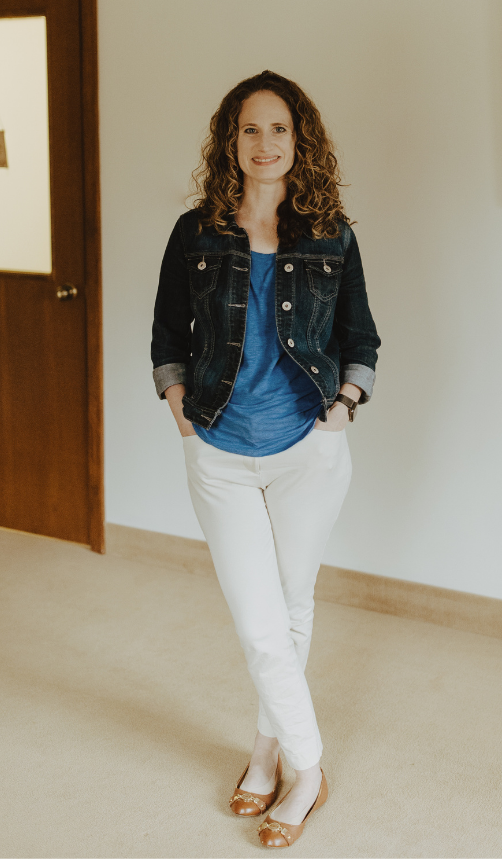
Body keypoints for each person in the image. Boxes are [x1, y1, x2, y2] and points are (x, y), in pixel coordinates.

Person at [150, 70, 380, 848]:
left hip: (309, 451)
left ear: (300, 139)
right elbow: (167, 336)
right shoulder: (195, 232)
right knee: (260, 626)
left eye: (279, 128)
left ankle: (266, 753)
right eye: (250, 128)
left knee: (291, 609)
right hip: (218, 451)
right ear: (230, 140)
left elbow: (360, 339)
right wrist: (183, 419)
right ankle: (310, 770)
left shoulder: (330, 234)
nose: (265, 142)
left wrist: (340, 414)